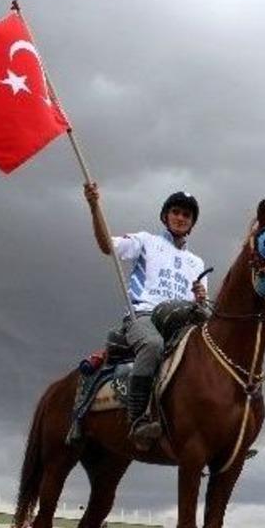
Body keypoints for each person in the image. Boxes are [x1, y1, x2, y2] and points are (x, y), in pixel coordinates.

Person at [84, 182, 210, 445]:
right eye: (175, 211)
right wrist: (94, 206)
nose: (180, 218)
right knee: (153, 345)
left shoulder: (196, 263)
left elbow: (200, 307)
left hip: (181, 323)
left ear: (192, 223)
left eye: (186, 215)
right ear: (165, 216)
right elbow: (107, 245)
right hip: (143, 317)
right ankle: (138, 419)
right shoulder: (146, 241)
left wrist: (200, 298)